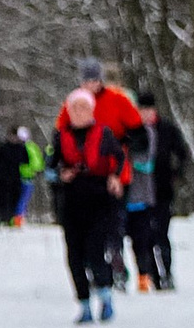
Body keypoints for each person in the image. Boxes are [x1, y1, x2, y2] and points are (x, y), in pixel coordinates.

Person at [57, 59, 145, 287]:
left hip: (116, 176)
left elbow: (140, 135)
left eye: (94, 80)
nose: (90, 85)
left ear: (101, 80)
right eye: (86, 81)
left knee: (113, 226)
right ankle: (95, 269)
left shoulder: (118, 100)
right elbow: (60, 137)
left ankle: (116, 265)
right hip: (83, 180)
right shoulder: (74, 103)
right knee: (87, 230)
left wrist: (120, 141)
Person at [51, 89, 130, 325]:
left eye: (84, 107)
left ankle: (105, 297)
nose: (79, 112)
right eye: (74, 108)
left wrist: (115, 177)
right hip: (71, 201)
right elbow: (49, 166)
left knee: (96, 252)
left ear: (92, 110)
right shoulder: (60, 136)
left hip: (98, 200)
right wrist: (60, 174)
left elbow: (120, 158)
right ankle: (84, 304)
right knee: (74, 256)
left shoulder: (104, 134)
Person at [126, 93, 193, 290]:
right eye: (142, 110)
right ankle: (153, 275)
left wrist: (176, 173)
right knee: (144, 236)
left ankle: (167, 273)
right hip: (140, 192)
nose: (145, 114)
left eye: (148, 110)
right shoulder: (133, 132)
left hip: (162, 189)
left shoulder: (167, 129)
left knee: (162, 234)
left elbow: (182, 153)